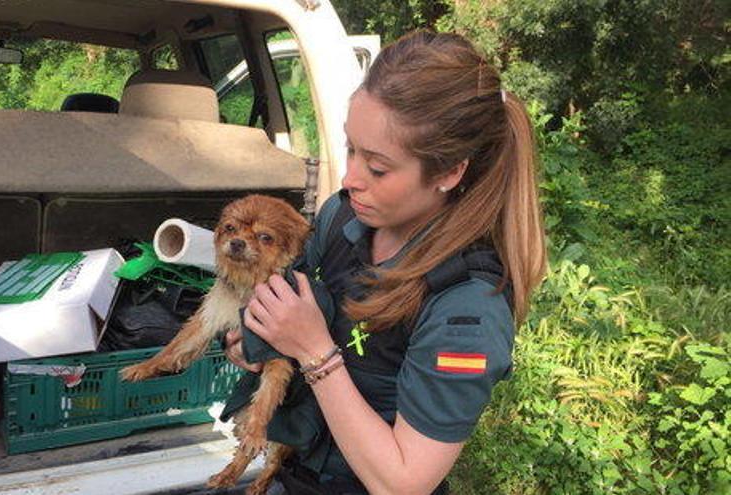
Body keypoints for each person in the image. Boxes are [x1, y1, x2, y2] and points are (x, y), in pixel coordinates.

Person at [224, 29, 547, 495]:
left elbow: (402, 483)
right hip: (296, 472)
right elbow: (290, 311)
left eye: (377, 167)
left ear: (449, 171)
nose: (351, 177)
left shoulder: (467, 309)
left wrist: (314, 351)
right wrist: (258, 338)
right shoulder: (342, 217)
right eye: (350, 148)